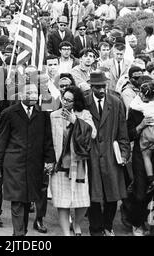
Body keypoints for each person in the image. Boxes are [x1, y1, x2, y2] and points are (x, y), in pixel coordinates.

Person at [0, 83, 55, 236]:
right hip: (14, 164)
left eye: (35, 93)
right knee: (17, 200)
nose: (33, 96)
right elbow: (2, 140)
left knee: (28, 200)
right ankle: (18, 235)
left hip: (34, 165)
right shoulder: (9, 113)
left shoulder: (43, 114)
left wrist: (50, 160)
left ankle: (22, 232)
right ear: (21, 95)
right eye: (29, 93)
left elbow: (47, 140)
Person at [86, 71, 130, 236]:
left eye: (103, 86)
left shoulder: (116, 102)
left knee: (113, 195)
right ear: (91, 87)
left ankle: (107, 225)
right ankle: (95, 229)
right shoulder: (84, 102)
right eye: (97, 87)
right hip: (91, 156)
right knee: (94, 196)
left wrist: (124, 154)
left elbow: (123, 132)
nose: (101, 90)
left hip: (112, 155)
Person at [50, 86, 96, 236]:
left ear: (76, 101)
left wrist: (75, 121)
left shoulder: (84, 114)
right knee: (62, 202)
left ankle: (76, 224)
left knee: (82, 201)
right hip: (60, 163)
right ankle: (66, 233)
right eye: (64, 99)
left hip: (78, 163)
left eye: (69, 100)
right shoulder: (54, 115)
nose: (65, 103)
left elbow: (93, 134)